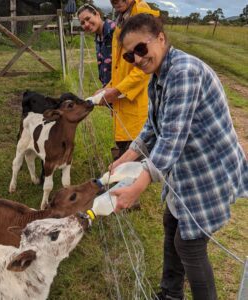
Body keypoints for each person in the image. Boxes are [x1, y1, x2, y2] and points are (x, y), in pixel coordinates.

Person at [110, 13, 248, 300]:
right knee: (172, 225)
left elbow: (171, 139)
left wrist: (137, 186)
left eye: (141, 49)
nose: (136, 59)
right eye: (129, 55)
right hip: (186, 171)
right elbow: (153, 127)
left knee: (190, 246)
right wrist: (127, 158)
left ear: (160, 39)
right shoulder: (159, 75)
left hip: (209, 171)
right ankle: (171, 294)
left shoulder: (184, 72)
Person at [95, 0, 159, 160]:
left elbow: (143, 69)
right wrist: (107, 88)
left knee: (132, 158)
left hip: (134, 102)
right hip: (123, 100)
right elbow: (120, 68)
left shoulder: (142, 16)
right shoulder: (122, 18)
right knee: (125, 149)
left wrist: (115, 92)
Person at [77, 4, 115, 87]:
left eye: (88, 18)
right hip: (108, 90)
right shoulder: (98, 37)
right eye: (82, 23)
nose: (86, 24)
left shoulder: (115, 31)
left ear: (97, 14)